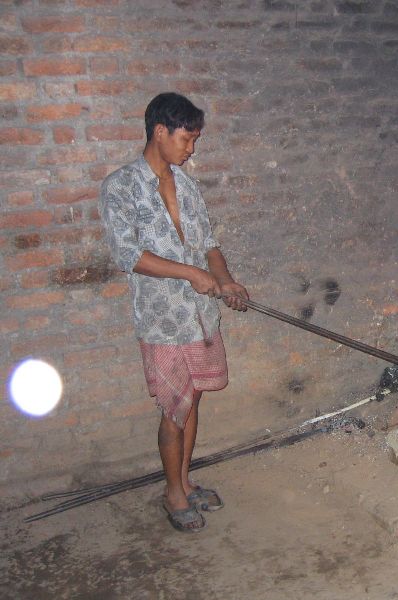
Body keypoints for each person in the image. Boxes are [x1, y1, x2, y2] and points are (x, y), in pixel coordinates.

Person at [99, 92, 248, 533]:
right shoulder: (120, 187)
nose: (191, 148)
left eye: (195, 140)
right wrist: (188, 273)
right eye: (187, 138)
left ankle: (185, 479)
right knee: (173, 408)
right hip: (163, 322)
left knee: (195, 397)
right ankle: (172, 494)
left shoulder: (186, 186)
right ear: (160, 132)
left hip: (200, 316)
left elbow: (208, 244)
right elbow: (129, 255)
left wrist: (224, 281)